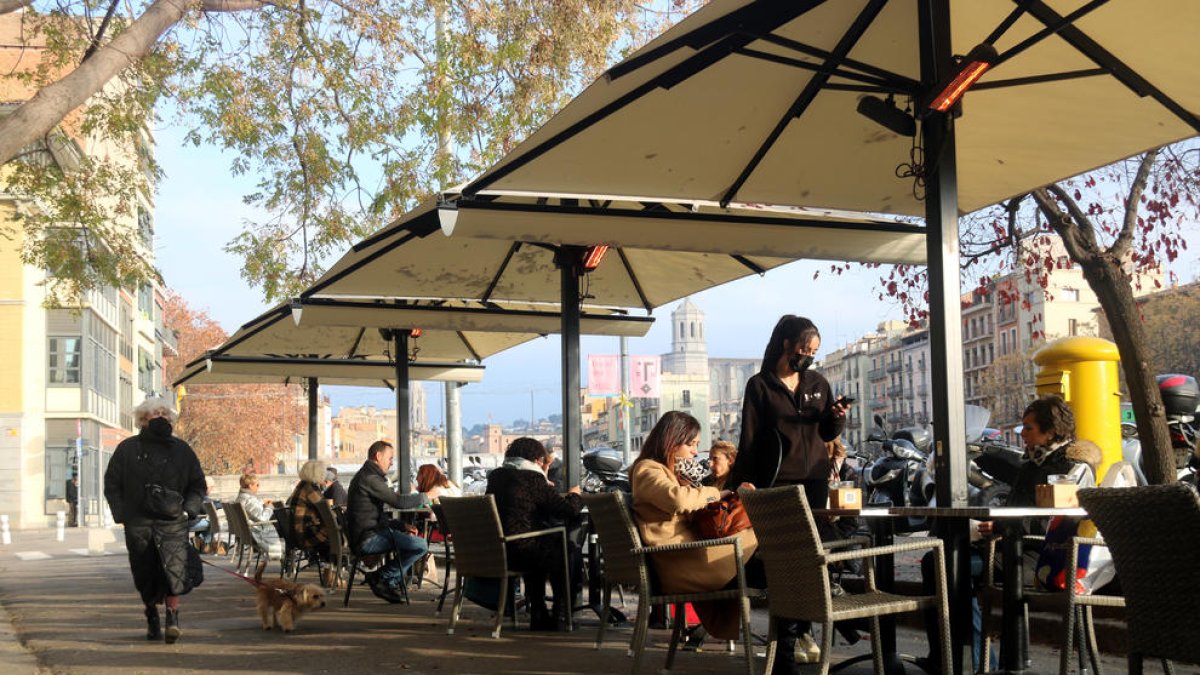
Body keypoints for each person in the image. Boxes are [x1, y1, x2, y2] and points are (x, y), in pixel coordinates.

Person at [917, 394, 1101, 673]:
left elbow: (1053, 522)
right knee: (939, 561)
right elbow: (1017, 508)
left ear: (1050, 431)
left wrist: (1001, 527)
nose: (1022, 433)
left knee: (950, 566)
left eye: (1029, 428)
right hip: (1010, 548)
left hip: (1041, 557)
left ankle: (976, 661)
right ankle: (949, 656)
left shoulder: (1072, 468)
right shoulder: (1031, 464)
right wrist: (996, 524)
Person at [729, 315, 851, 667]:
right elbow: (749, 437)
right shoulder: (760, 386)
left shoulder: (817, 381)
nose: (808, 355)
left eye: (813, 351)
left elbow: (827, 433)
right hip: (777, 483)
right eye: (804, 348)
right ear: (786, 344)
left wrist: (838, 415)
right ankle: (786, 639)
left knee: (811, 558)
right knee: (785, 561)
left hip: (814, 479)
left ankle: (803, 630)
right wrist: (743, 480)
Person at [631, 411, 758, 644]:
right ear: (672, 440)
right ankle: (796, 633)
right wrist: (719, 493)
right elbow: (677, 500)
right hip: (682, 562)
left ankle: (796, 629)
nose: (694, 451)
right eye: (691, 444)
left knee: (773, 558)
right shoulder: (647, 470)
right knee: (771, 537)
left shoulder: (662, 471)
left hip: (683, 557)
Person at [104, 397, 206, 644]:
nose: (161, 416)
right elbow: (112, 484)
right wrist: (123, 515)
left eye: (164, 412)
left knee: (175, 571)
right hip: (138, 523)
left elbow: (198, 484)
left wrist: (187, 511)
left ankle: (173, 617)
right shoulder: (127, 449)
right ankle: (151, 614)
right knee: (145, 573)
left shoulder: (183, 450)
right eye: (155, 413)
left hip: (173, 522)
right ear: (143, 419)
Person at [486, 437, 583, 631]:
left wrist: (543, 478)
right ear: (536, 459)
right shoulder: (532, 478)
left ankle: (539, 612)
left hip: (499, 551)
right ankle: (562, 612)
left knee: (542, 543)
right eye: (542, 460)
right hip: (522, 551)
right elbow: (567, 510)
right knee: (568, 550)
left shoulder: (496, 476)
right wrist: (575, 494)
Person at [346, 440, 429, 603]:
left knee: (411, 543)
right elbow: (399, 503)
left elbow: (378, 516)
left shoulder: (365, 476)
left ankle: (387, 581)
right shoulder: (370, 479)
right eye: (390, 458)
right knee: (420, 546)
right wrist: (428, 495)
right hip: (367, 538)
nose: (391, 463)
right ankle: (382, 578)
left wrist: (402, 525)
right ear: (378, 456)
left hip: (365, 534)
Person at [287, 460, 332, 574]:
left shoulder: (301, 486)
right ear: (317, 474)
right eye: (322, 472)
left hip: (297, 534)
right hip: (306, 536)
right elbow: (327, 512)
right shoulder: (310, 489)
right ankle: (332, 573)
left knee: (333, 532)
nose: (324, 475)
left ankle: (331, 571)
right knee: (336, 534)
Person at [235, 472, 284, 575]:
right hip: (257, 532)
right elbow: (262, 518)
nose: (258, 487)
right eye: (257, 485)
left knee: (283, 525)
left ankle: (287, 558)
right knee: (287, 528)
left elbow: (254, 512)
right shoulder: (249, 499)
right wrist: (269, 508)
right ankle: (288, 559)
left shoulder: (241, 497)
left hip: (249, 532)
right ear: (250, 485)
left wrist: (264, 506)